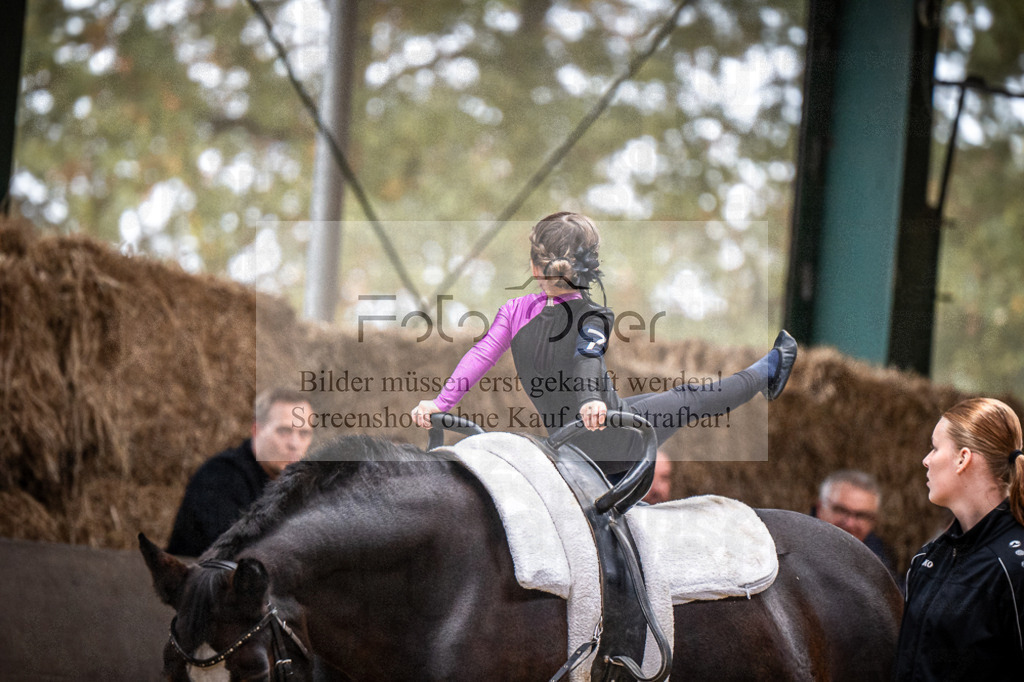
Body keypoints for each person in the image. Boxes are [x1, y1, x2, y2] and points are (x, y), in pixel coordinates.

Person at [410, 211, 797, 476]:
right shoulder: (594, 314)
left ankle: (768, 368)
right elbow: (587, 358)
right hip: (606, 437)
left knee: (670, 397)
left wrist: (439, 403)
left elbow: (481, 355)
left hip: (576, 429)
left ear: (533, 267)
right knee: (691, 398)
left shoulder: (513, 310)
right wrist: (591, 401)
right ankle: (769, 368)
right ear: (589, 269)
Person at [893, 397, 1024, 681]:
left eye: (935, 447)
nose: (925, 460)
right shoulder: (926, 559)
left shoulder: (1014, 567)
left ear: (963, 458)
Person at [166, 388, 314, 557]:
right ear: (256, 430)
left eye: (304, 433)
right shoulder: (219, 478)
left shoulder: (302, 485)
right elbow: (235, 557)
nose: (295, 444)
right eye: (284, 431)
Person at [813, 469, 896, 576]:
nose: (850, 523)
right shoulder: (792, 546)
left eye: (861, 515)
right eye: (841, 510)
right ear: (820, 509)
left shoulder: (881, 562)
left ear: (874, 521)